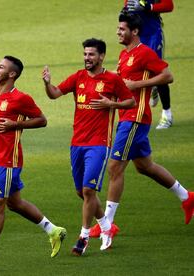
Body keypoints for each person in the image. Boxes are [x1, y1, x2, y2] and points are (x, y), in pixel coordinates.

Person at [89, 12, 194, 239]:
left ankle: (106, 224)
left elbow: (167, 76)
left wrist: (138, 83)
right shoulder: (123, 54)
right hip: (126, 115)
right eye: (118, 29)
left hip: (135, 118)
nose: (118, 32)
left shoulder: (145, 53)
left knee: (115, 167)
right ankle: (187, 197)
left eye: (122, 29)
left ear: (134, 31)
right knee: (145, 166)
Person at [0, 56, 66, 272]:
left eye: (0, 67)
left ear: (12, 74)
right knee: (15, 203)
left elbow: (42, 120)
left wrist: (15, 125)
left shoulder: (21, 98)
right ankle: (53, 230)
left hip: (9, 160)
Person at [43, 39, 135, 256]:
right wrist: (47, 83)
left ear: (101, 56)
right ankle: (105, 225)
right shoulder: (78, 77)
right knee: (82, 192)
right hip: (77, 143)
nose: (87, 58)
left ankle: (83, 237)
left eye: (91, 54)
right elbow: (55, 94)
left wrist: (112, 105)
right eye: (85, 54)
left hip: (99, 144)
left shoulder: (112, 79)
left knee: (88, 190)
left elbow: (130, 101)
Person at [125, 0, 174, 129]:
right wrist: (125, 10)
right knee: (136, 69)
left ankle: (167, 114)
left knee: (159, 72)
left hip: (153, 35)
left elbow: (169, 5)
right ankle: (137, 114)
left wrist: (147, 7)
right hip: (136, 35)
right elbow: (128, 4)